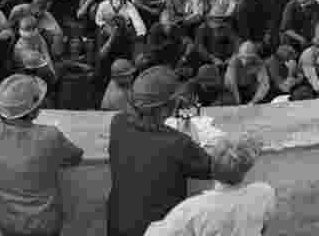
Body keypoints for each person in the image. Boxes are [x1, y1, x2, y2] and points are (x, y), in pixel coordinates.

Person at [107, 65, 215, 236]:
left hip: (118, 226)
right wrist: (191, 138)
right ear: (167, 108)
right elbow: (214, 168)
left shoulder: (117, 124)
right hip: (160, 230)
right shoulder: (179, 143)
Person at [0, 73, 84, 236]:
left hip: (7, 222)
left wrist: (10, 109)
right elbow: (76, 156)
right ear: (34, 111)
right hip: (44, 225)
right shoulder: (49, 136)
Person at [143, 134, 276, 236]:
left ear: (212, 164)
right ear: (247, 168)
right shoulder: (264, 194)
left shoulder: (192, 209)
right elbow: (263, 227)